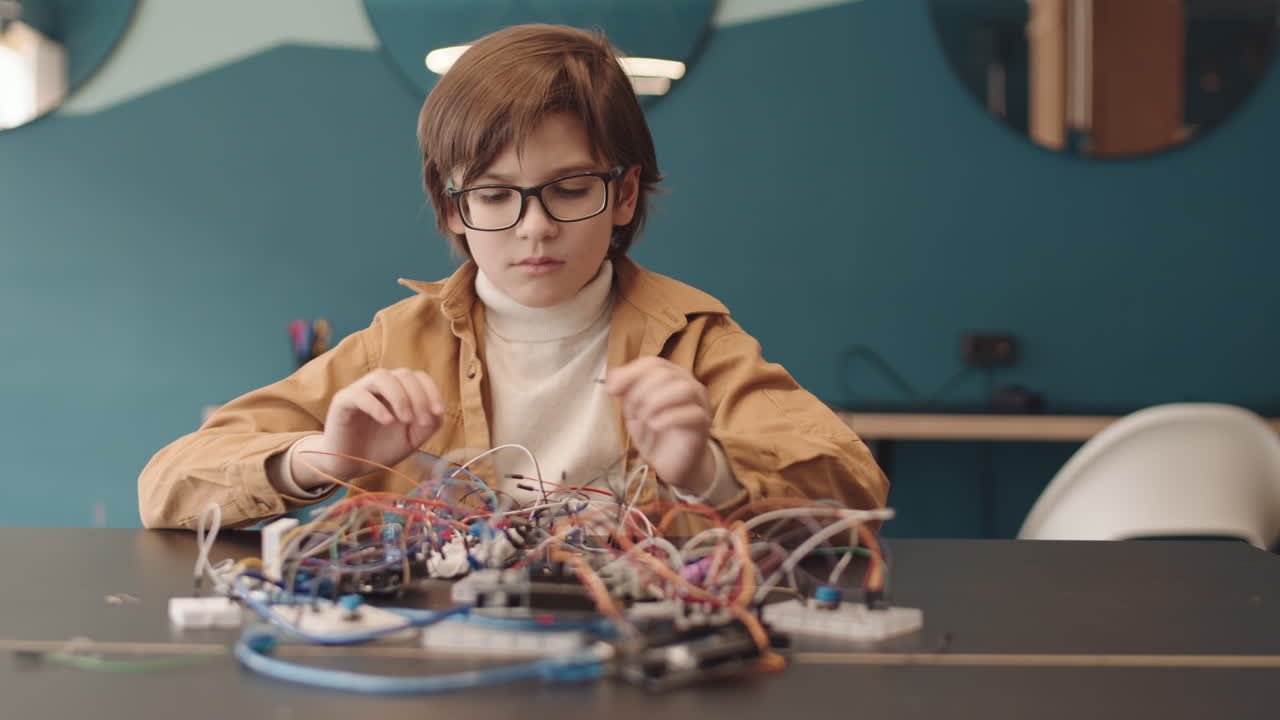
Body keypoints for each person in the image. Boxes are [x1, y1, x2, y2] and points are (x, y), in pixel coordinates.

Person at [137, 23, 888, 530]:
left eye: (569, 189)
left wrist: (710, 473)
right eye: (495, 195)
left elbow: (855, 482)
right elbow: (167, 484)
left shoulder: (695, 345)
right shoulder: (395, 347)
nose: (534, 227)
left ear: (623, 195)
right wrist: (322, 459)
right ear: (453, 209)